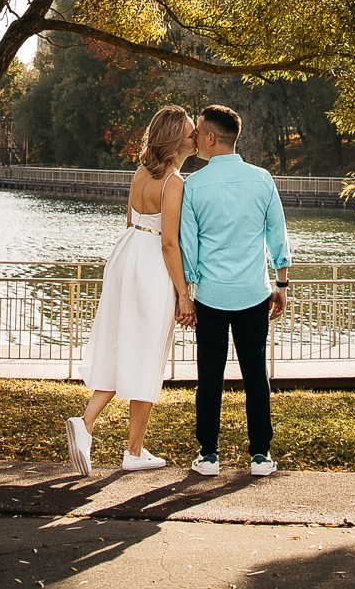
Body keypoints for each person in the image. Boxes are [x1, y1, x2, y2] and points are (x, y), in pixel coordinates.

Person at [65, 106, 192, 477]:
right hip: (151, 263)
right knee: (147, 352)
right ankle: (133, 450)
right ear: (174, 140)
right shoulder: (173, 182)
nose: (194, 138)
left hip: (125, 254)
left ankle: (87, 422)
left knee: (120, 346)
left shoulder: (140, 173)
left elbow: (129, 221)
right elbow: (170, 244)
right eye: (188, 133)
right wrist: (183, 294)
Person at [178, 103, 290, 478]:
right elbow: (278, 236)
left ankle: (208, 455)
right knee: (256, 375)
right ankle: (260, 455)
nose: (194, 138)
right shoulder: (262, 179)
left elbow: (187, 243)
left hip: (211, 295)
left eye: (197, 132)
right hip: (253, 294)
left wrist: (188, 290)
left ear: (210, 138)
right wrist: (282, 284)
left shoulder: (193, 185)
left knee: (209, 376)